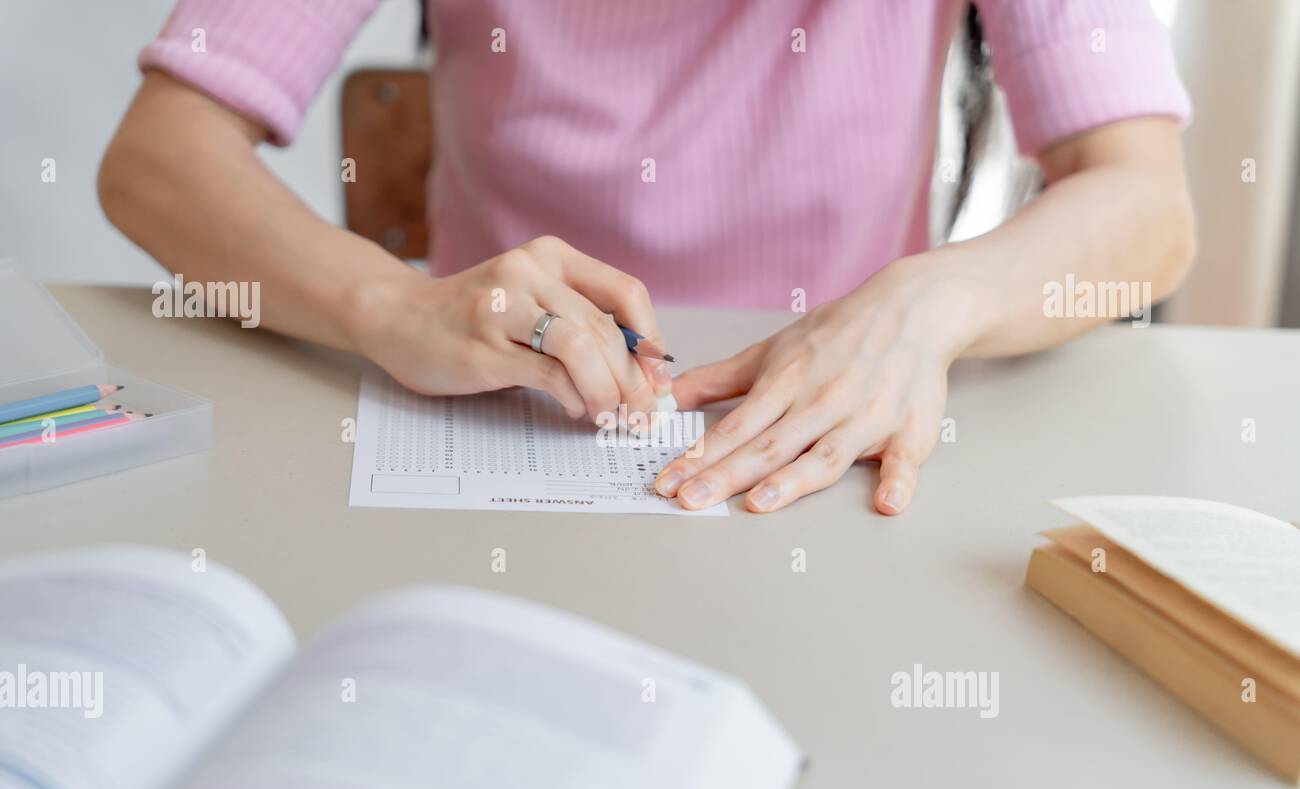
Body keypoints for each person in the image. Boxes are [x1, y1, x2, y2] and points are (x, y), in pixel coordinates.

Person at [99, 0, 1195, 515]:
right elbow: (158, 153)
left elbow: (1146, 201)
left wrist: (930, 302)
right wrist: (395, 307)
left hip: (831, 467)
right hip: (496, 434)